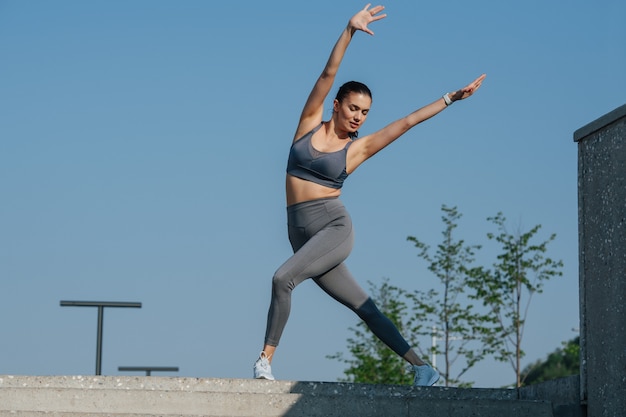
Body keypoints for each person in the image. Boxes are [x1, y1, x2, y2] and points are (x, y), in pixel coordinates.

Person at [253, 3, 485, 386]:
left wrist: (449, 98)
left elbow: (406, 123)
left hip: (332, 228)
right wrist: (349, 30)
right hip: (301, 232)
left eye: (365, 112)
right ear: (337, 105)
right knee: (364, 307)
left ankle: (264, 361)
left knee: (282, 280)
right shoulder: (308, 125)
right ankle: (422, 368)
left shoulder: (356, 149)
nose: (359, 116)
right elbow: (328, 74)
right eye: (354, 108)